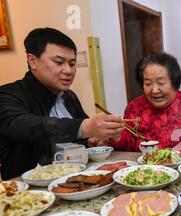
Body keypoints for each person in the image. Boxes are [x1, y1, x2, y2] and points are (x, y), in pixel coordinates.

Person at [0, 28, 123, 180]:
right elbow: (23, 125)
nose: (68, 70)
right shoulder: (7, 95)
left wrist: (92, 139)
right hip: (31, 192)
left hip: (77, 179)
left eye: (72, 64)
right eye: (59, 62)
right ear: (33, 61)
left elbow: (81, 135)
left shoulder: (69, 96)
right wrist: (84, 127)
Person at [108, 52, 181, 152]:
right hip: (145, 169)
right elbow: (128, 146)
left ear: (174, 82)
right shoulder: (134, 108)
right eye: (148, 83)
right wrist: (116, 136)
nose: (154, 90)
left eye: (161, 82)